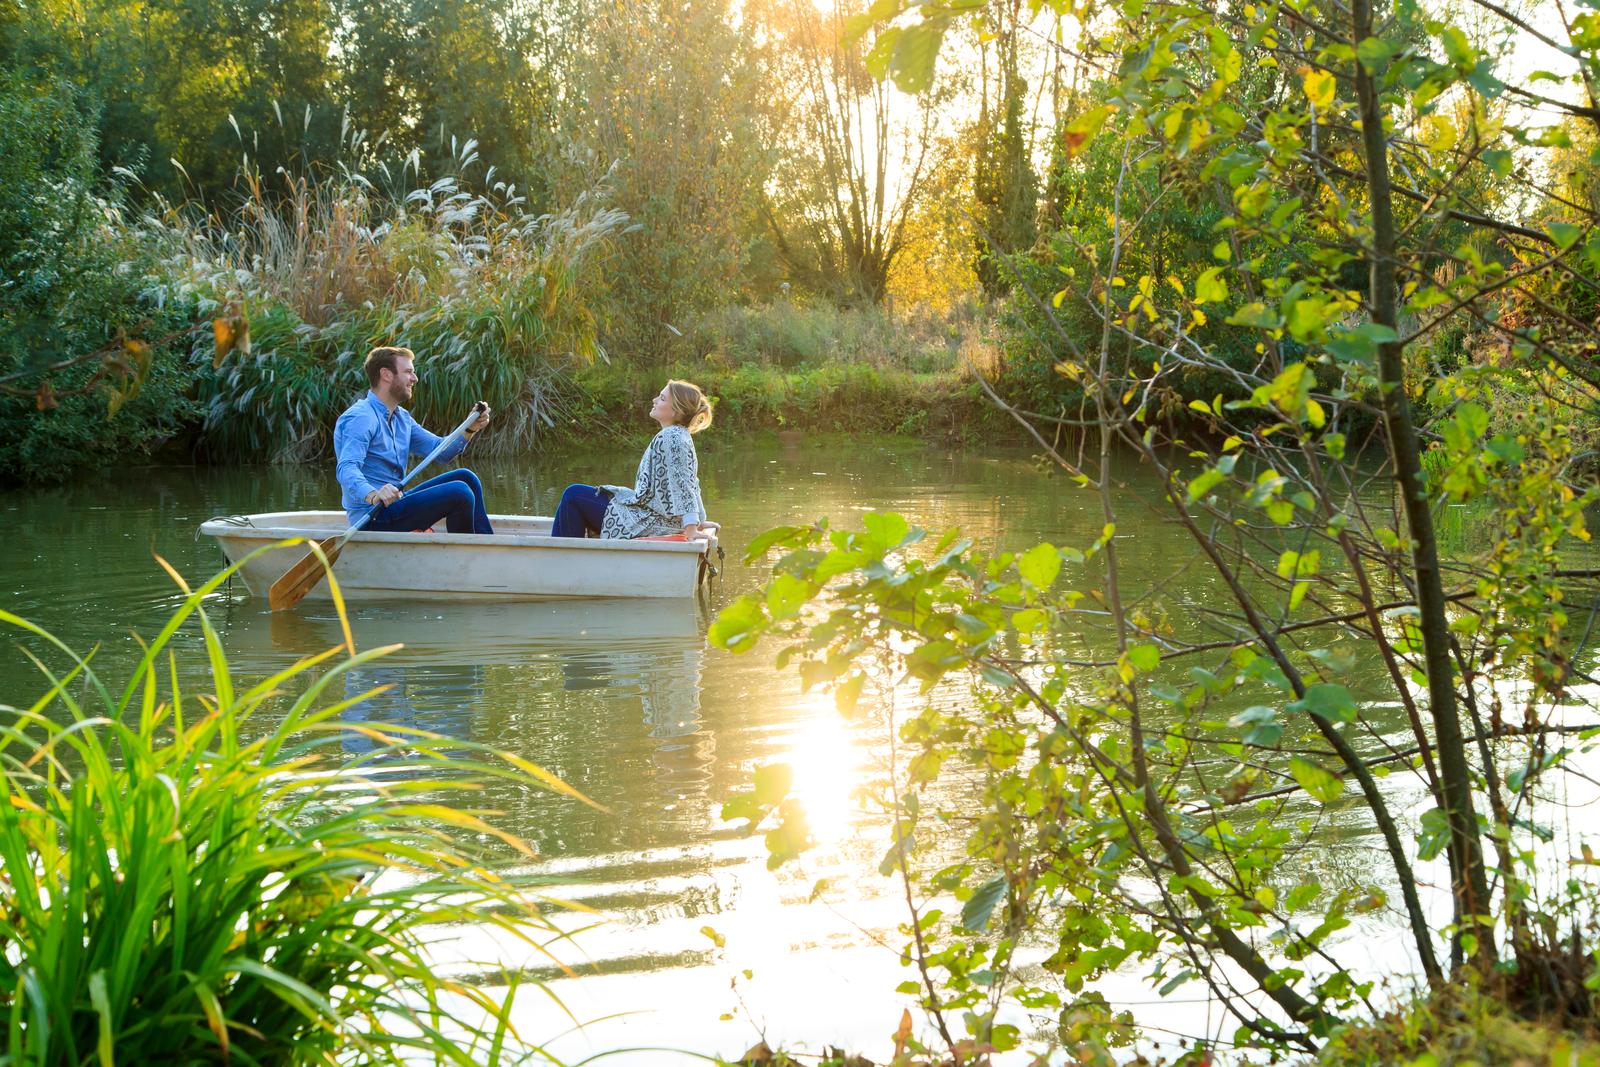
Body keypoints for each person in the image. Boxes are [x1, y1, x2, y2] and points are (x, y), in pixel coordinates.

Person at [334, 346, 494, 534]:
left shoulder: (402, 418)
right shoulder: (361, 418)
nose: (414, 379)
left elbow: (441, 452)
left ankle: (485, 548)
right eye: (408, 372)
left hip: (395, 505)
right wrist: (373, 495)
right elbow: (347, 468)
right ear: (386, 374)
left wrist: (469, 429)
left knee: (466, 478)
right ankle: (464, 559)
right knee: (459, 492)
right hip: (372, 517)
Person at [551, 380, 717, 540]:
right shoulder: (680, 435)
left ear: (675, 411)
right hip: (649, 515)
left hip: (649, 521)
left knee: (573, 495)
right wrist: (699, 520)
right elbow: (691, 481)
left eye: (662, 398)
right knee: (574, 497)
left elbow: (684, 484)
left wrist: (691, 527)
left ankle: (564, 562)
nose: (655, 400)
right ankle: (568, 558)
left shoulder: (672, 437)